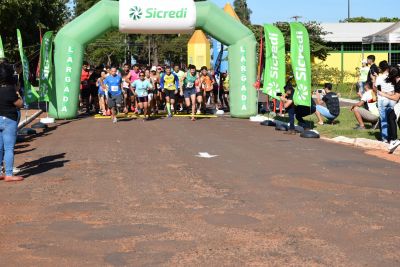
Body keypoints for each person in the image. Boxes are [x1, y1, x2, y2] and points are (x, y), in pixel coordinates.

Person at [0, 62, 24, 182]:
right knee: (9, 148)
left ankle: (0, 171)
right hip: (9, 119)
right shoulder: (9, 90)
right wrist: (18, 92)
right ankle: (8, 174)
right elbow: (19, 104)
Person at [379, 66, 400, 153]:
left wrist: (383, 95)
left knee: (391, 116)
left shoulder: (399, 83)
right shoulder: (397, 82)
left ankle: (394, 139)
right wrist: (386, 93)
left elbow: (396, 98)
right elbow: (395, 94)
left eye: (388, 74)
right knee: (398, 120)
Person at [375, 60, 396, 143]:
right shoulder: (392, 76)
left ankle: (384, 138)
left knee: (384, 120)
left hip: (382, 99)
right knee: (391, 119)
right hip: (392, 99)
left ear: (381, 68)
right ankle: (392, 137)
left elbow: (379, 90)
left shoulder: (379, 78)